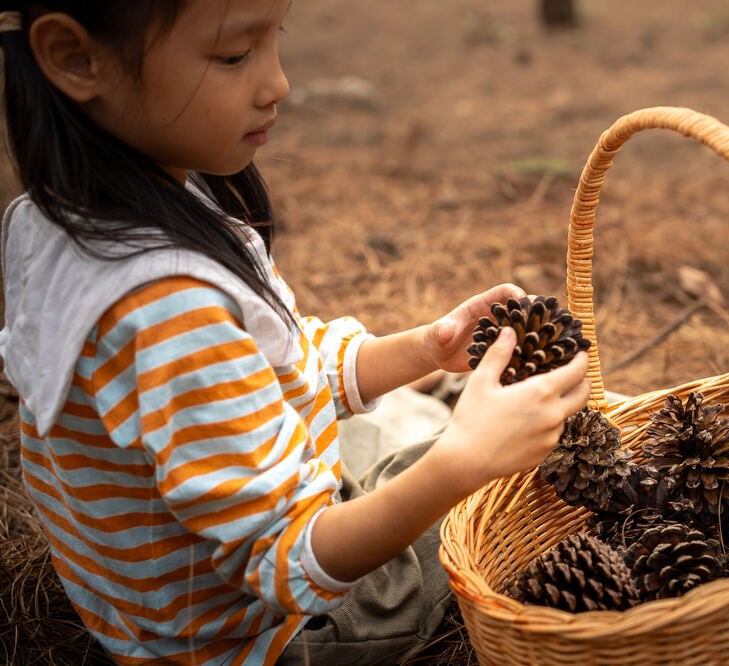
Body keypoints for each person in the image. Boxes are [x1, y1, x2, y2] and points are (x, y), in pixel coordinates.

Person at [0, 2, 590, 664]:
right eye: (233, 55)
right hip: (274, 634)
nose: (278, 83)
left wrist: (425, 348)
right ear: (78, 59)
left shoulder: (68, 218)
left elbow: (272, 368)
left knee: (467, 432)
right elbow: (287, 564)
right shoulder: (165, 307)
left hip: (180, 604)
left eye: (272, 40)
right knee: (515, 492)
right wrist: (466, 462)